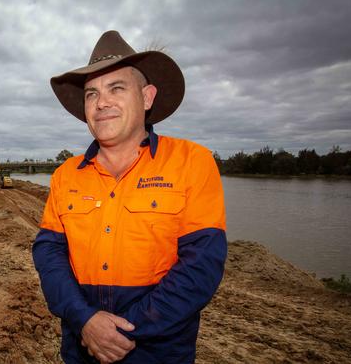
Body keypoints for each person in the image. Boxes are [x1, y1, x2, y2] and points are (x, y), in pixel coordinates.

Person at [32, 30, 227, 363]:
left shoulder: (192, 162)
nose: (102, 102)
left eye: (116, 88)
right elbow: (49, 253)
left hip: (158, 351)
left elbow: (202, 264)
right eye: (91, 93)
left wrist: (123, 330)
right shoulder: (66, 175)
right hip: (82, 349)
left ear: (147, 97)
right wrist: (85, 320)